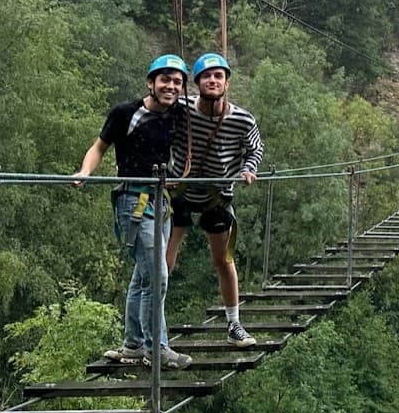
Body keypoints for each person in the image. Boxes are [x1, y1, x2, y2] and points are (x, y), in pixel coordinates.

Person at [72, 54, 194, 370]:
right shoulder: (126, 113)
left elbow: (210, 110)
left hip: (161, 200)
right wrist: (85, 172)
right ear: (150, 83)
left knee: (144, 274)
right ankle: (158, 348)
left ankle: (133, 345)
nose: (171, 86)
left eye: (177, 82)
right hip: (133, 201)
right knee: (158, 275)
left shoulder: (179, 113)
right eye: (165, 80)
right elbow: (99, 146)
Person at [166, 52, 263, 347]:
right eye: (206, 76)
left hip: (217, 196)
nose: (212, 80)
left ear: (227, 83)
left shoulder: (242, 119)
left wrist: (249, 169)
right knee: (164, 262)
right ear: (196, 83)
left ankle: (234, 324)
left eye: (218, 76)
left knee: (222, 260)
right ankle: (153, 325)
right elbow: (157, 129)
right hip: (179, 191)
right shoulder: (180, 109)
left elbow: (255, 149)